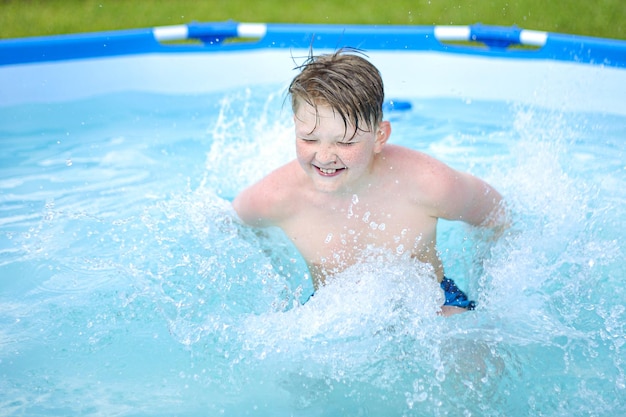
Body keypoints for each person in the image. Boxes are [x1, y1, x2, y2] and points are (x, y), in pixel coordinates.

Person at [232, 50, 508, 316]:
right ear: (295, 126)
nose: (325, 156)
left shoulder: (428, 184)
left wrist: (489, 295)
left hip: (434, 305)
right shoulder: (276, 197)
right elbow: (230, 225)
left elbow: (497, 215)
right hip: (334, 315)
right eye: (309, 139)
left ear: (379, 136)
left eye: (345, 142)